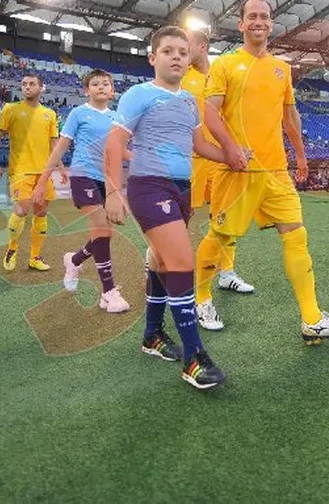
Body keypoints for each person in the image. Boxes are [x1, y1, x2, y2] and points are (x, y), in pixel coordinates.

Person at [195, 0, 329, 341]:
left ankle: (312, 317)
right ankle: (201, 299)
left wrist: (300, 155)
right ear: (241, 24)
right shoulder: (225, 64)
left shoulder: (281, 68)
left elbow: (290, 116)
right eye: (252, 16)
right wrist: (230, 149)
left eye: (265, 17)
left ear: (271, 24)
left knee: (296, 235)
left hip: (276, 170)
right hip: (238, 169)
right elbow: (209, 112)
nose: (259, 21)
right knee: (220, 236)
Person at [104, 26, 231, 389]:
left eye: (182, 52)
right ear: (152, 58)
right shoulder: (139, 94)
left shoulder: (190, 102)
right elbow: (114, 144)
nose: (176, 56)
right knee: (181, 262)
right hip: (149, 186)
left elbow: (199, 146)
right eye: (168, 51)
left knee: (160, 261)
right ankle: (194, 357)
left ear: (190, 59)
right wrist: (113, 192)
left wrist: (232, 156)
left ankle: (152, 335)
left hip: (181, 189)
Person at [33, 69, 128, 312]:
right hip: (83, 175)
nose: (101, 87)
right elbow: (60, 148)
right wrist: (42, 182)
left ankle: (74, 260)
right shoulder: (78, 113)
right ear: (86, 90)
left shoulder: (117, 118)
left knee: (104, 233)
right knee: (101, 227)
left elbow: (120, 151)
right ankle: (108, 292)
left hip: (106, 180)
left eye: (105, 83)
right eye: (95, 84)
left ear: (112, 90)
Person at [182, 27, 255, 302]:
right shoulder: (181, 78)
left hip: (221, 158)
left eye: (186, 45)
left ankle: (227, 273)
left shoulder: (223, 74)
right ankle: (160, 264)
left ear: (202, 46)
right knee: (182, 216)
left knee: (225, 216)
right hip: (191, 159)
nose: (181, 51)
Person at [0, 74, 58, 272]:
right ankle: (12, 248)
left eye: (32, 84)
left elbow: (53, 144)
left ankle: (35, 257)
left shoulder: (50, 114)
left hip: (44, 172)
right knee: (21, 210)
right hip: (20, 170)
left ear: (41, 88)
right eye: (24, 84)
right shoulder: (10, 109)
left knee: (41, 212)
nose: (27, 87)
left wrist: (60, 166)